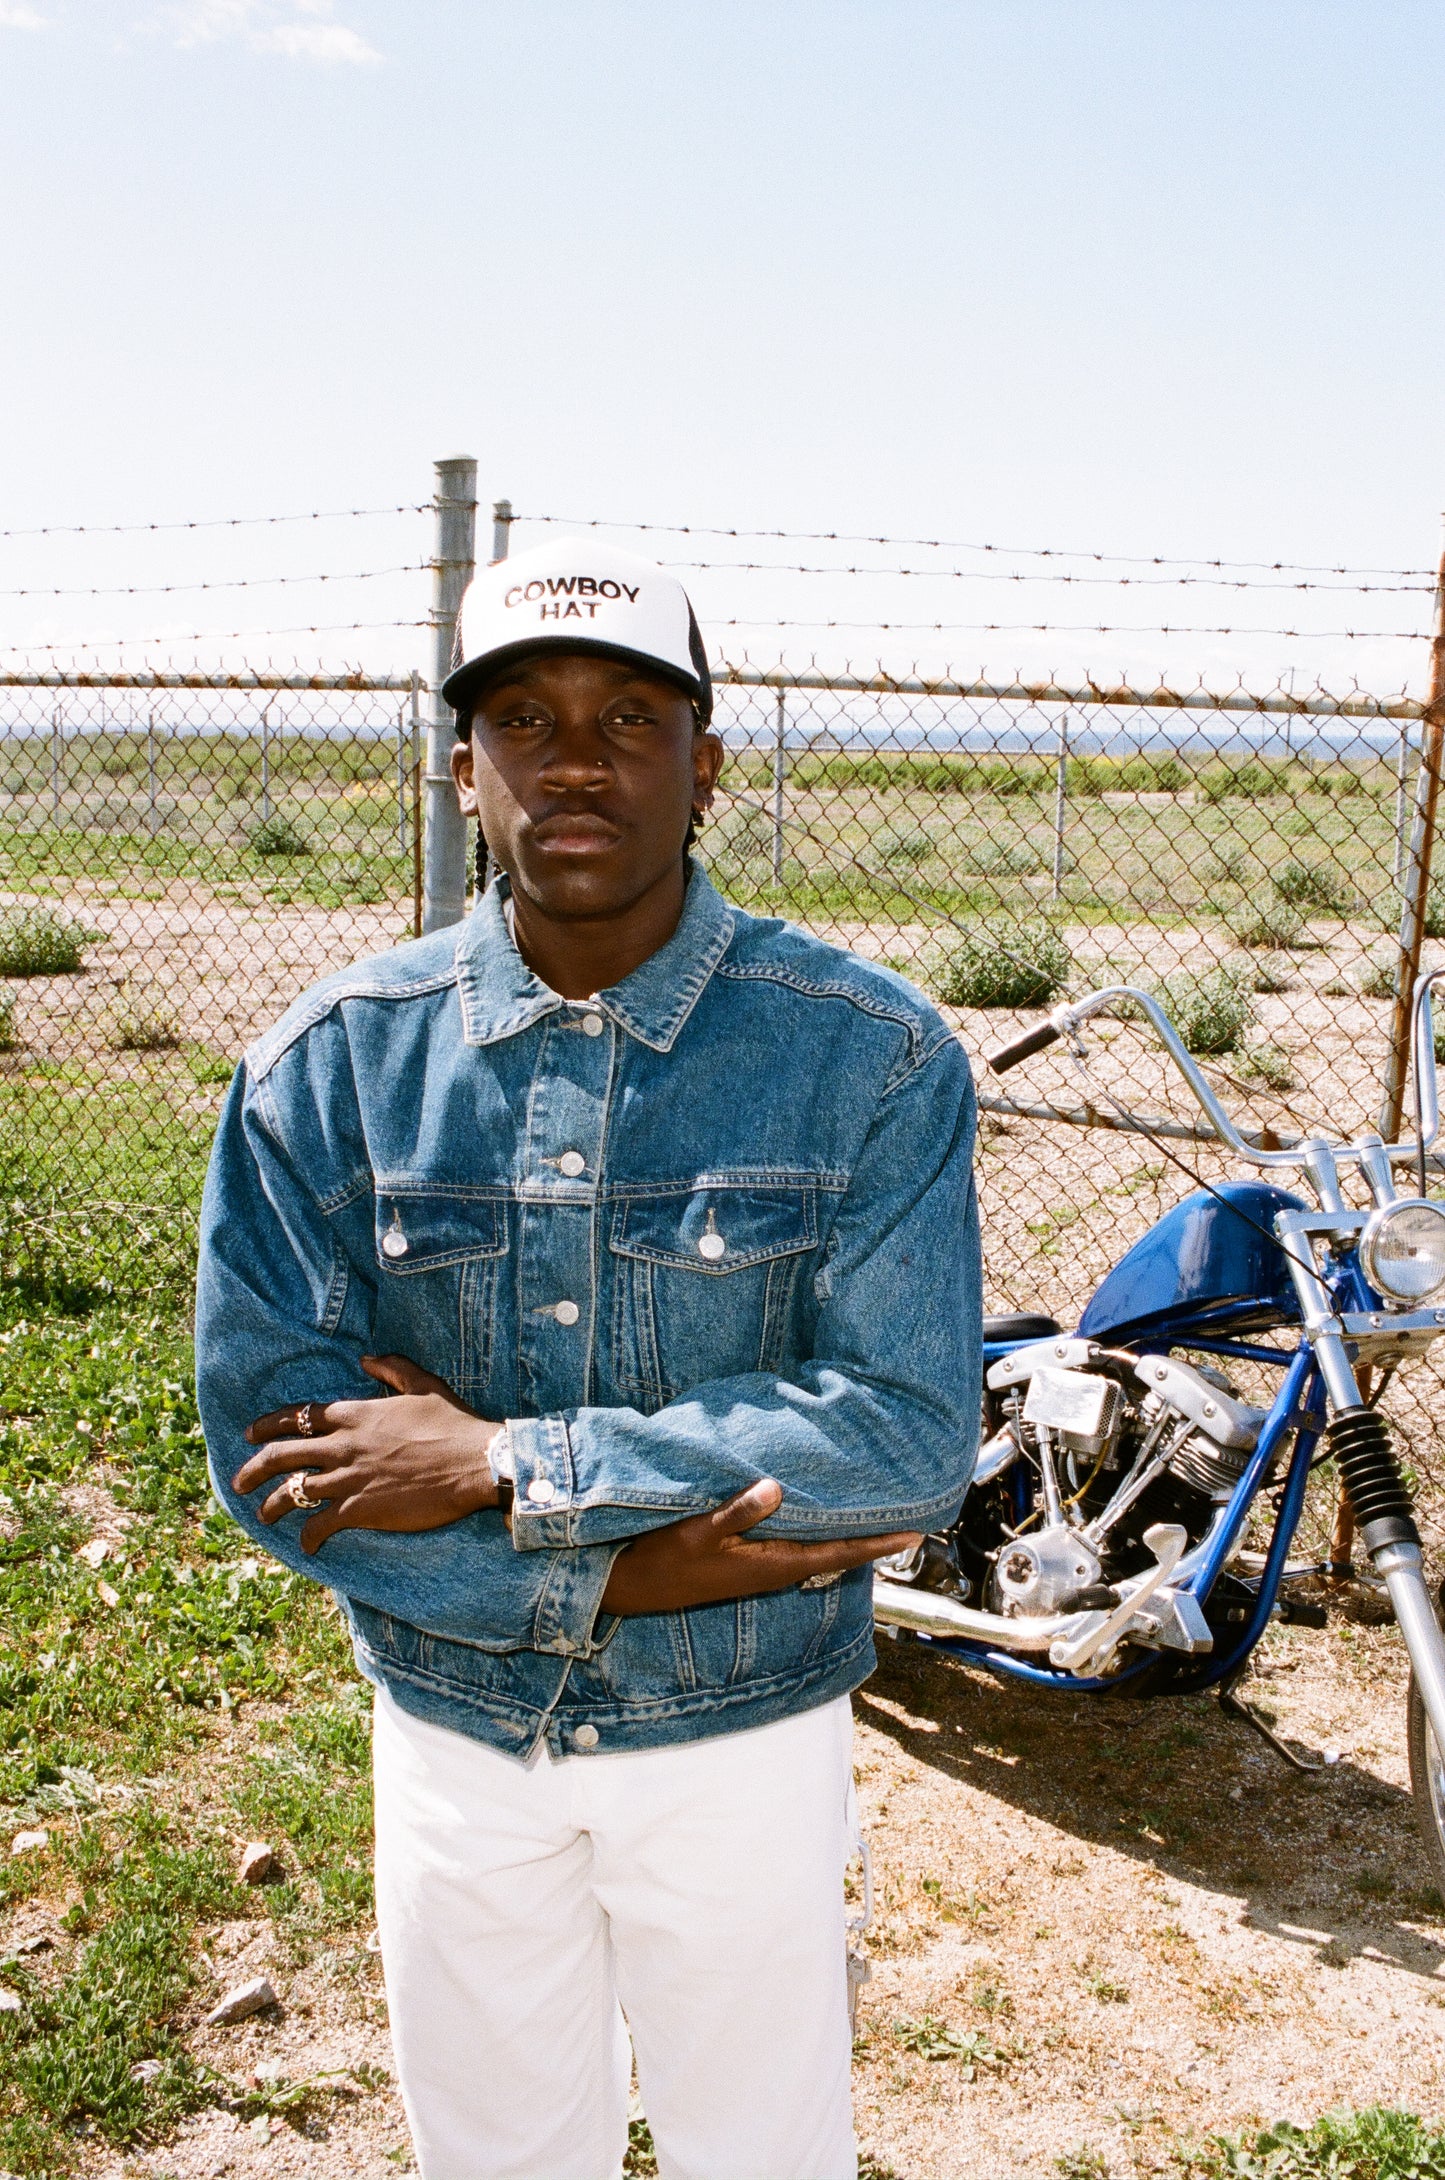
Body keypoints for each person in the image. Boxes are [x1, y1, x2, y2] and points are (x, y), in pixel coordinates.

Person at [196, 537, 981, 2180]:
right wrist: (617, 1579)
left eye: (631, 718)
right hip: (452, 1732)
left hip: (743, 1736)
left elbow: (903, 1437)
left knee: (757, 2151)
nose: (574, 758)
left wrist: (498, 1465)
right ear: (458, 764)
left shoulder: (868, 1055)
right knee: (494, 2156)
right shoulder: (328, 1071)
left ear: (706, 765)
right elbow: (279, 1459)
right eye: (524, 717)